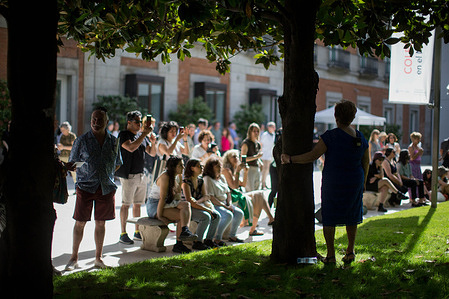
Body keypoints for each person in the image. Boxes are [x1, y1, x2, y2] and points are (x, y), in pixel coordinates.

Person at [281, 99, 369, 264]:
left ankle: (330, 255)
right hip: (355, 180)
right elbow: (366, 161)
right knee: (352, 215)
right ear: (352, 117)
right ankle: (350, 251)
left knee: (329, 215)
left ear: (336, 116)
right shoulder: (360, 136)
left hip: (334, 181)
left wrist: (290, 159)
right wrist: (363, 181)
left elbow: (312, 156)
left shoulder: (331, 136)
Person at [65, 107, 123, 270]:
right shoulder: (81, 140)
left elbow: (117, 163)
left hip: (106, 187)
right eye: (93, 119)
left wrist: (105, 174)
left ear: (107, 122)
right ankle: (73, 257)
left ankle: (98, 258)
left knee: (101, 223)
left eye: (99, 119)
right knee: (80, 222)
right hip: (85, 187)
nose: (96, 122)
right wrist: (86, 170)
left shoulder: (113, 141)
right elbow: (71, 164)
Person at [115, 111, 157, 245]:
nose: (140, 124)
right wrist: (144, 134)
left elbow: (152, 152)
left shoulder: (141, 136)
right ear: (129, 122)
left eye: (140, 122)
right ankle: (123, 232)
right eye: (137, 122)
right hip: (128, 175)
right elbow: (131, 147)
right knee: (126, 204)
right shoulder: (123, 134)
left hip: (141, 174)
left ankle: (137, 231)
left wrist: (153, 142)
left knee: (138, 204)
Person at [146, 156, 198, 253]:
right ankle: (179, 243)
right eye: (181, 165)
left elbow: (177, 197)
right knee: (183, 216)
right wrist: (160, 216)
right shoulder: (165, 177)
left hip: (167, 203)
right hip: (155, 205)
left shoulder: (176, 177)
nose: (183, 167)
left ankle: (184, 231)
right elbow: (162, 198)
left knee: (186, 205)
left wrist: (180, 179)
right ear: (173, 167)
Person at [222, 150, 275, 236]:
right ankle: (255, 228)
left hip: (237, 195)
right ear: (227, 159)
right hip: (231, 197)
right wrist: (238, 172)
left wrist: (246, 172)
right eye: (233, 156)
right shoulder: (226, 170)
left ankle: (269, 219)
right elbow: (234, 187)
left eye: (237, 156)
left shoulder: (233, 169)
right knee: (259, 196)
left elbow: (243, 184)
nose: (236, 158)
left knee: (261, 195)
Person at [203, 157, 244, 245]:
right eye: (217, 166)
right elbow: (211, 197)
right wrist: (225, 207)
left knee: (239, 213)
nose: (219, 167)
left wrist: (229, 204)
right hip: (215, 205)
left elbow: (228, 192)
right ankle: (217, 238)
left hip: (226, 203)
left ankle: (232, 235)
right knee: (228, 215)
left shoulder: (221, 177)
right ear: (211, 167)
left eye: (220, 165)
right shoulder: (207, 179)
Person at [182, 158, 221, 249]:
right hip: (187, 209)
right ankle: (197, 242)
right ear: (192, 168)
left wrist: (198, 201)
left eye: (202, 166)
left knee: (216, 215)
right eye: (199, 166)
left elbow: (206, 196)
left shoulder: (200, 180)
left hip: (198, 205)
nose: (201, 168)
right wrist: (206, 209)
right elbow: (189, 202)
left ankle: (208, 240)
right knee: (205, 217)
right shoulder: (186, 183)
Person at [241, 123, 263, 191]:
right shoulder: (246, 143)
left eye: (257, 131)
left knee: (257, 191)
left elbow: (258, 157)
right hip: (249, 169)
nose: (256, 133)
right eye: (254, 131)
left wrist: (260, 162)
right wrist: (256, 157)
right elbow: (243, 159)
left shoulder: (258, 144)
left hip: (257, 169)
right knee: (250, 191)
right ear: (250, 132)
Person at [260, 122, 276, 189]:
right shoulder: (265, 135)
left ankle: (265, 183)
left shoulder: (274, 135)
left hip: (271, 155)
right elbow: (261, 143)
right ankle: (263, 184)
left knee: (268, 171)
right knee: (265, 170)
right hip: (265, 155)